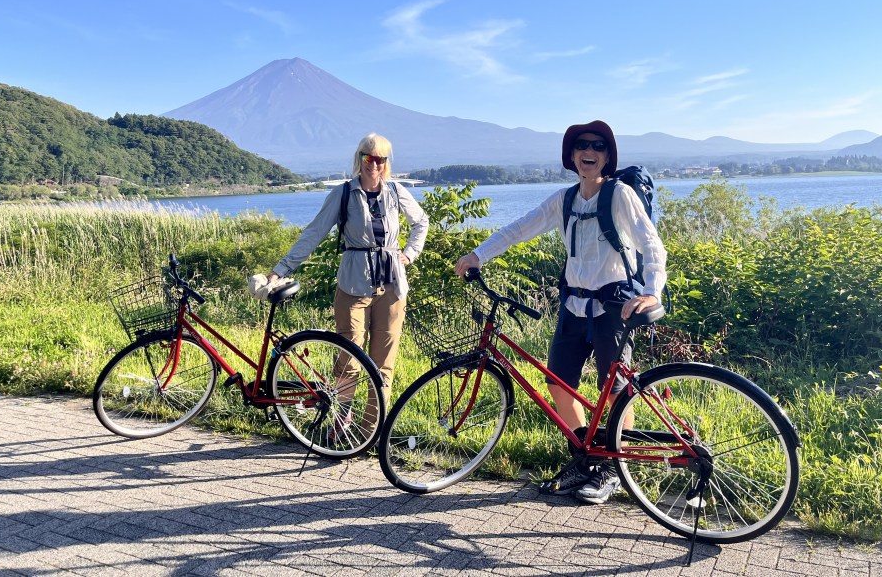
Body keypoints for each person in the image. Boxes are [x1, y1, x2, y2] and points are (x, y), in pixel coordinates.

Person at [453, 120, 667, 504]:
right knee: (559, 383)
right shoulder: (564, 199)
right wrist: (477, 255)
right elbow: (521, 227)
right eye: (582, 146)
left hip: (613, 307)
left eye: (598, 146)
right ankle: (586, 460)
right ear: (571, 156)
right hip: (573, 307)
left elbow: (652, 244)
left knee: (615, 392)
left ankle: (616, 470)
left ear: (607, 157)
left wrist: (652, 292)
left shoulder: (618, 196)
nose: (590, 151)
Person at [269, 133, 429, 434]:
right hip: (353, 286)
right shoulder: (344, 193)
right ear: (359, 159)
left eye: (381, 159)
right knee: (350, 359)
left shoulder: (395, 191)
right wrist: (280, 270)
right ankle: (342, 417)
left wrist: (409, 254)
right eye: (369, 158)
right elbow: (314, 232)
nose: (375, 165)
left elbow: (421, 221)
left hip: (392, 288)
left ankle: (370, 431)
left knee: (383, 364)